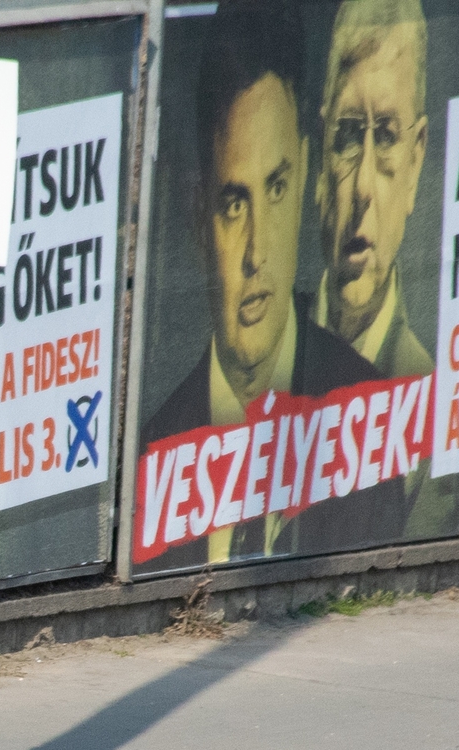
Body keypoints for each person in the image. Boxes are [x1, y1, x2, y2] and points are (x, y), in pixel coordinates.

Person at [141, 1, 400, 562]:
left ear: (308, 172)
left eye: (277, 188)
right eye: (234, 205)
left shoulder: (368, 425)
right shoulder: (150, 458)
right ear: (196, 215)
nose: (259, 252)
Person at [311, 0, 458, 537]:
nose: (364, 189)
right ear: (321, 155)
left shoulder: (430, 407)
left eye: (387, 136)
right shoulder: (269, 354)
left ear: (417, 160)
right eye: (349, 136)